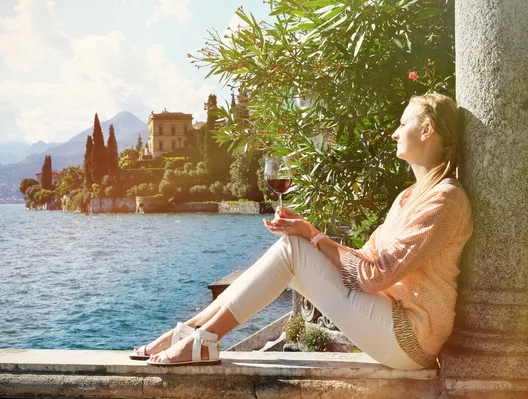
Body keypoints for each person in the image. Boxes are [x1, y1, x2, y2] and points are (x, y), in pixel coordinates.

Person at [129, 93, 473, 370]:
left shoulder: (446, 200)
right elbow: (366, 258)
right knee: (294, 247)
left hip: (411, 337)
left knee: (295, 248)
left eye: (402, 124)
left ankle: (201, 339)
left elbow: (372, 276)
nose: (394, 133)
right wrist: (311, 235)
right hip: (389, 318)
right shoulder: (410, 196)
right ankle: (192, 332)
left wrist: (314, 236)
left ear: (427, 130)